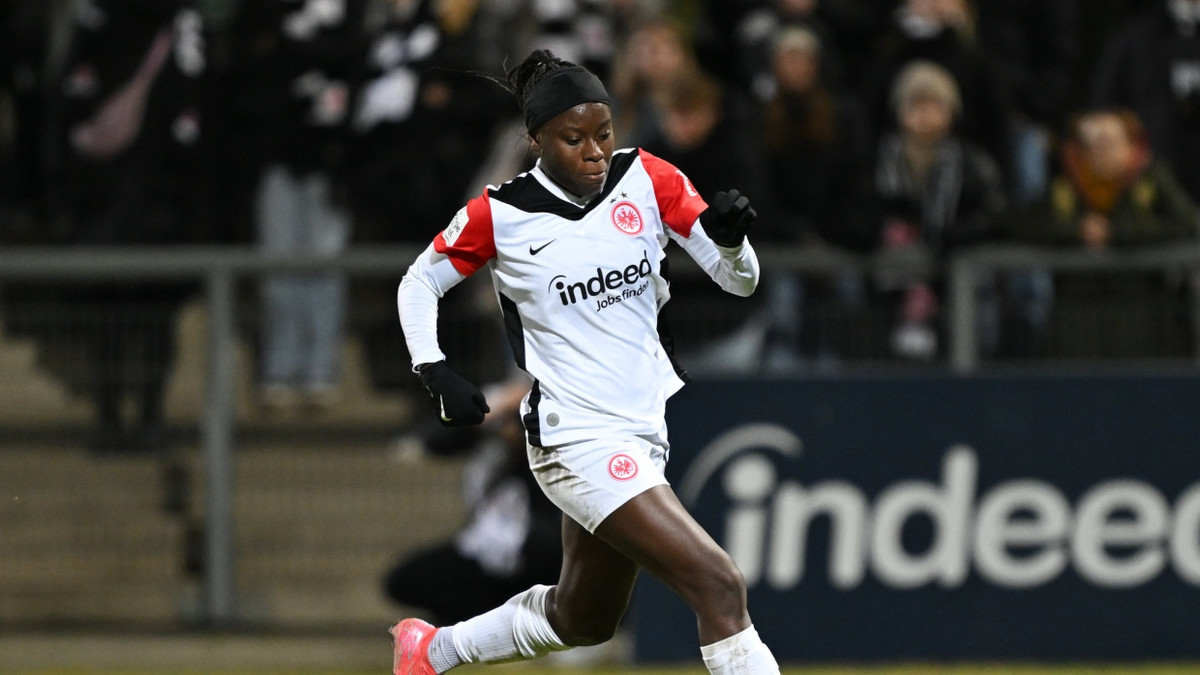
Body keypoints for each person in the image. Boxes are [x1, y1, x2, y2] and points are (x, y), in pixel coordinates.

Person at [390, 50, 780, 675]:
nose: (595, 151)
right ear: (538, 140)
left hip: (641, 428)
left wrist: (733, 244)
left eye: (604, 134)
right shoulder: (502, 213)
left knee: (583, 618)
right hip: (574, 437)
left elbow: (740, 283)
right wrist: (433, 369)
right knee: (720, 585)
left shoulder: (648, 178)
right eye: (575, 139)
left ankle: (432, 652)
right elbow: (418, 283)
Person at [1006, 106, 1200, 358]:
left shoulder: (1152, 179)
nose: (1099, 150)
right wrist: (1076, 231)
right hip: (1076, 324)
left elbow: (1188, 224)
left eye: (1108, 143)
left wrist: (1117, 233)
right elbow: (1020, 224)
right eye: (1091, 144)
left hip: (1144, 320)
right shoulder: (1066, 185)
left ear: (1130, 146)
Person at [383, 378, 562, 626]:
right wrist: (493, 408)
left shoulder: (545, 455)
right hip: (483, 551)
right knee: (409, 580)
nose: (511, 428)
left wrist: (525, 408)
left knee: (548, 557)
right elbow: (435, 439)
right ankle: (471, 635)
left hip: (535, 551)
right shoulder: (492, 450)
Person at [867, 60, 1007, 361]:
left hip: (957, 273)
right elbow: (863, 212)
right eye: (916, 105)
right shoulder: (879, 163)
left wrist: (951, 239)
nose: (925, 115)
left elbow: (994, 214)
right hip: (893, 280)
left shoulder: (972, 162)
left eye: (935, 105)